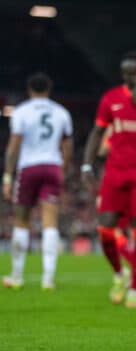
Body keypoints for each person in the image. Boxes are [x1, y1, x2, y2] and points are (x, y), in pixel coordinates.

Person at [81, 51, 136, 309]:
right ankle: (120, 274)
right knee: (105, 228)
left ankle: (134, 290)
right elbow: (97, 133)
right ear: (124, 75)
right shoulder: (110, 98)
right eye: (131, 74)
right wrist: (87, 164)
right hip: (115, 171)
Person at [2, 72, 73, 291]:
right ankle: (48, 279)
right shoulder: (61, 112)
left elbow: (14, 146)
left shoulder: (21, 111)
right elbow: (68, 146)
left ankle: (16, 276)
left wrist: (7, 175)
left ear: (29, 89)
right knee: (50, 222)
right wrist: (63, 169)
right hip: (52, 166)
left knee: (21, 220)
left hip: (29, 167)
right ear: (49, 89)